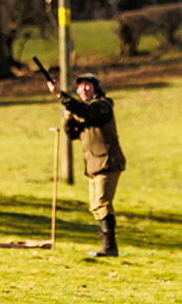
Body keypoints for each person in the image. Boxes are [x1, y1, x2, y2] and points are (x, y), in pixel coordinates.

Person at [44, 73, 127, 257]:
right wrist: (69, 118)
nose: (83, 89)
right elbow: (73, 134)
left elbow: (88, 112)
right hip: (94, 164)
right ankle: (108, 245)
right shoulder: (86, 110)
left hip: (108, 162)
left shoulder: (103, 105)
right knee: (95, 206)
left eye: (87, 85)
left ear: (96, 87)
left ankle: (110, 247)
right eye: (80, 86)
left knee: (102, 203)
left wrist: (61, 95)